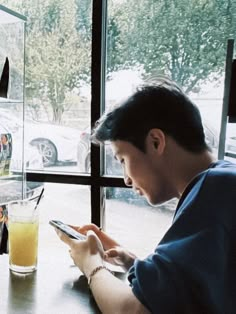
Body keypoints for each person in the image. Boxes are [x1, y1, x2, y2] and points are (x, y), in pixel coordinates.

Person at [55, 77, 236, 313]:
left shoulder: (216, 189)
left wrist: (91, 263)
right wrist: (134, 264)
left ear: (155, 141)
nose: (126, 179)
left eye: (123, 160)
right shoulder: (223, 178)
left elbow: (134, 310)